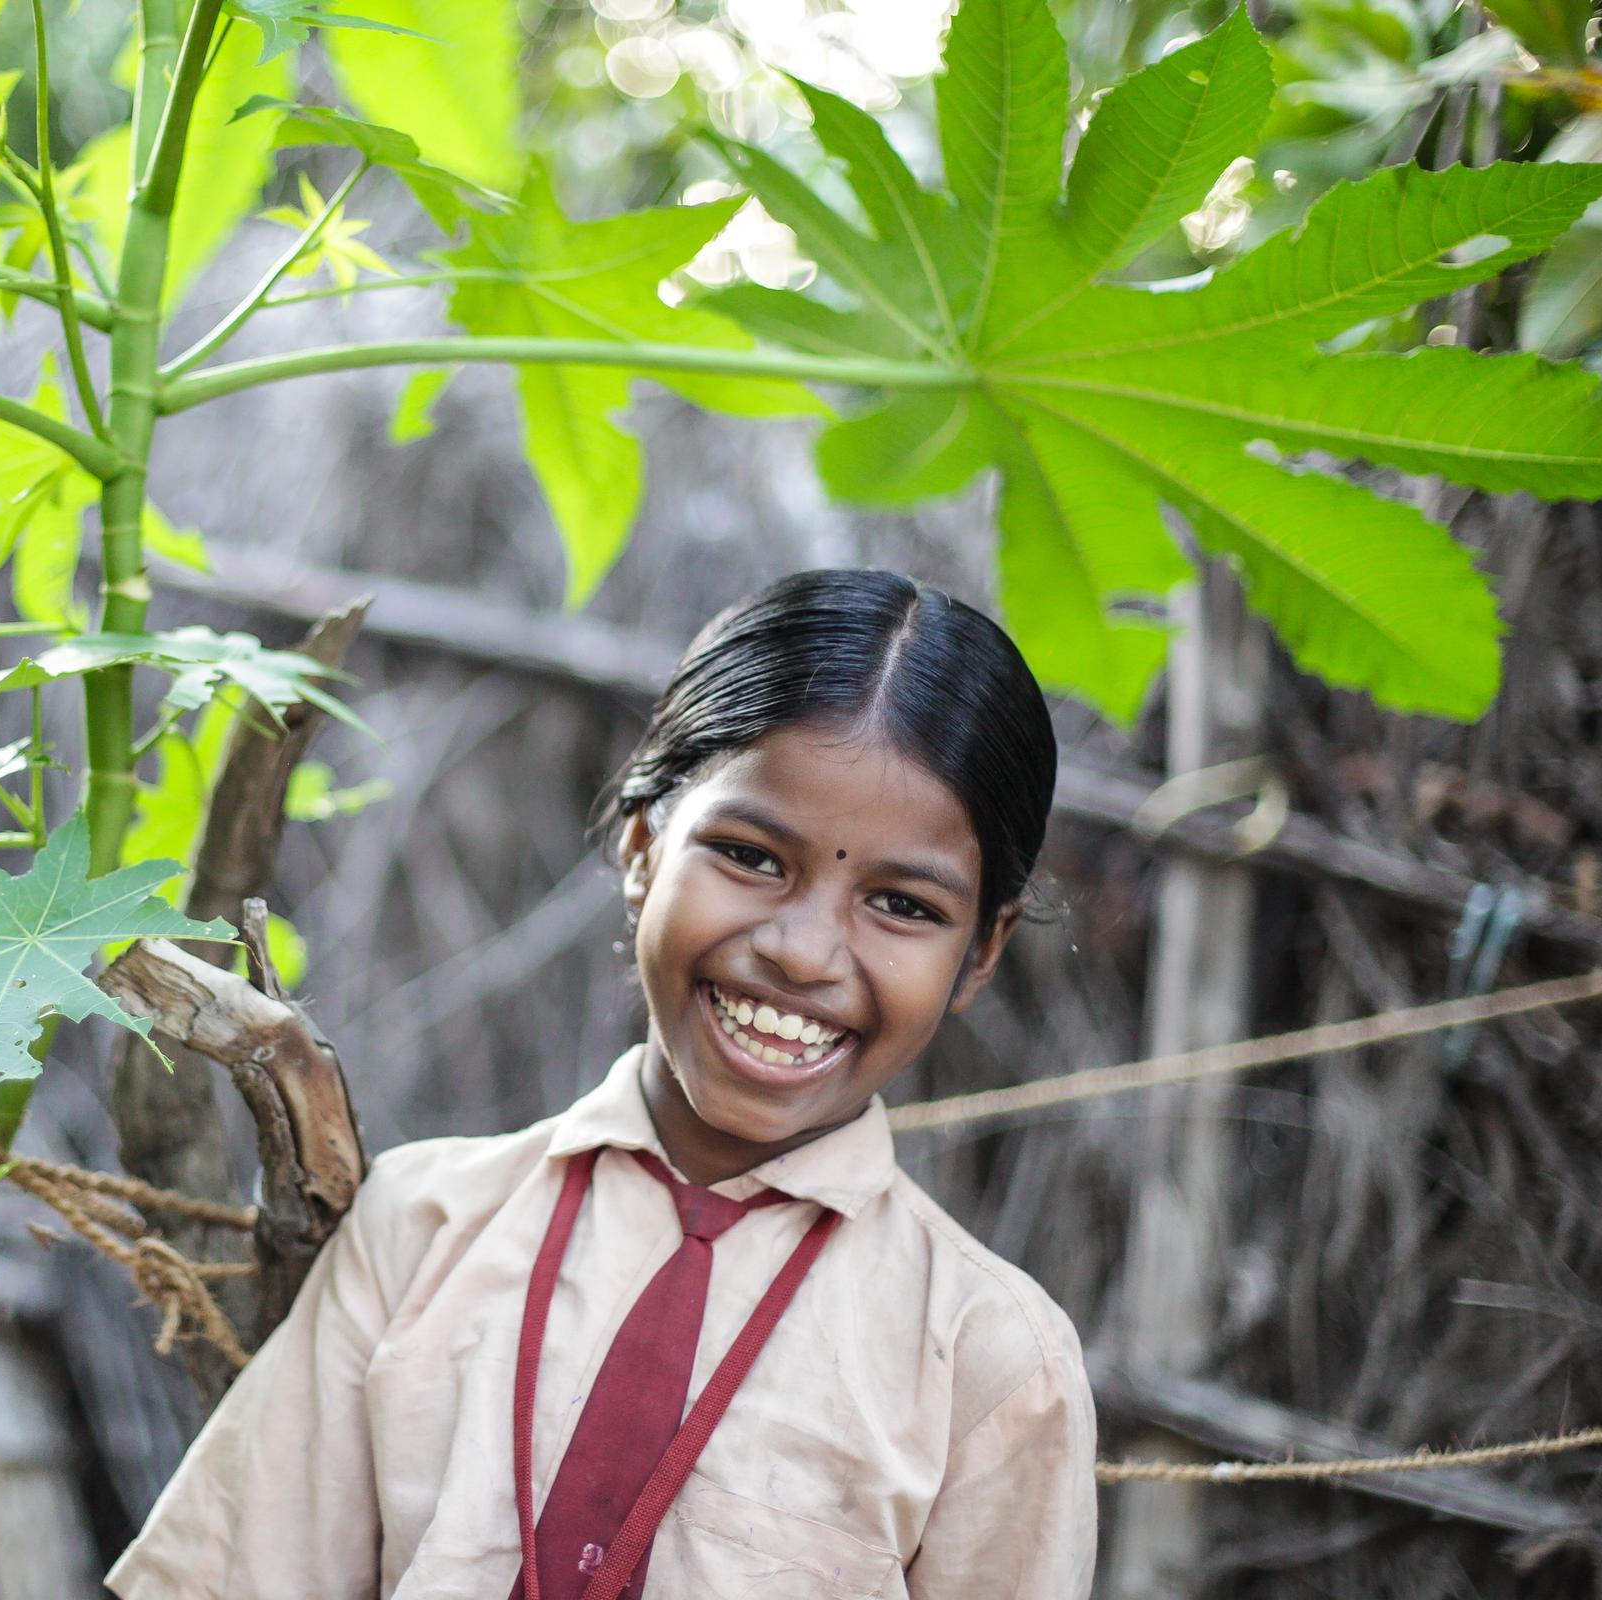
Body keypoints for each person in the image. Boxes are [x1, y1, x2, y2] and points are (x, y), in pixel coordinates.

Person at [108, 569, 1096, 1600]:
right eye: (752, 856)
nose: (805, 953)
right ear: (639, 848)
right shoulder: (424, 1229)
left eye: (901, 904)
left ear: (982, 954)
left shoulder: (990, 1365)